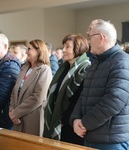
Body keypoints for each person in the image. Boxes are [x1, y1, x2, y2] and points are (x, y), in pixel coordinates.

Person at [70, 19, 129, 150]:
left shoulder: (122, 61)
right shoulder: (97, 61)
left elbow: (114, 100)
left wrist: (85, 123)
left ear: (101, 37)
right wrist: (75, 119)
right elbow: (84, 95)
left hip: (111, 141)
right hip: (91, 136)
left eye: (90, 37)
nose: (88, 41)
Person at [43, 34, 91, 145]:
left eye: (67, 47)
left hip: (70, 124)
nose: (63, 50)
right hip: (59, 121)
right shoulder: (63, 68)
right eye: (63, 47)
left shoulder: (85, 68)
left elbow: (78, 99)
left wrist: (63, 120)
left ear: (78, 48)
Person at [9, 39, 52, 136]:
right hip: (17, 119)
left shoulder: (44, 70)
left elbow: (38, 97)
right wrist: (11, 111)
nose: (26, 52)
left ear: (38, 51)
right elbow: (14, 91)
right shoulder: (24, 68)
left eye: (29, 49)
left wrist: (16, 113)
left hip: (32, 118)